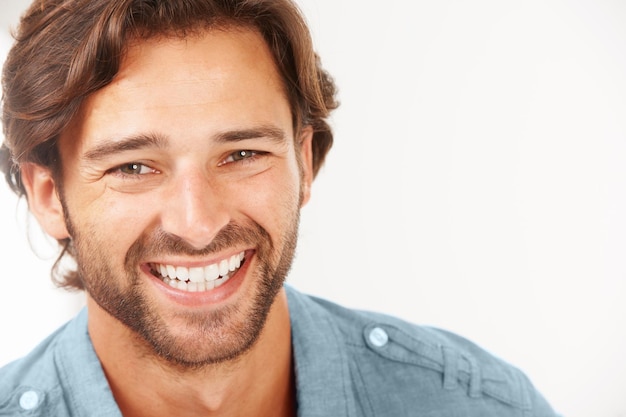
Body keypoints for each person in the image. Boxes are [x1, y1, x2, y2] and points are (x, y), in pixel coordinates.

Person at [0, 0, 559, 416]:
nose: (198, 224)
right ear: (50, 197)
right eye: (133, 167)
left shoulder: (478, 405)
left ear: (306, 162)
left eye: (242, 154)